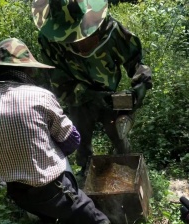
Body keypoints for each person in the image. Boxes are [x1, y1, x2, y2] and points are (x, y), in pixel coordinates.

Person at [0, 38, 121, 224]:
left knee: (45, 210)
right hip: (52, 188)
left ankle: (49, 223)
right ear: (28, 71)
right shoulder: (40, 96)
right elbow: (72, 140)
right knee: (99, 223)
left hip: (17, 192)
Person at [31, 0, 153, 176]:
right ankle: (86, 176)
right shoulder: (49, 41)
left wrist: (140, 87)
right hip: (79, 99)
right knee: (81, 140)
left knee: (119, 137)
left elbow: (135, 62)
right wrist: (88, 95)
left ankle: (133, 173)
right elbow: (58, 81)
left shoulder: (111, 29)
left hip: (110, 95)